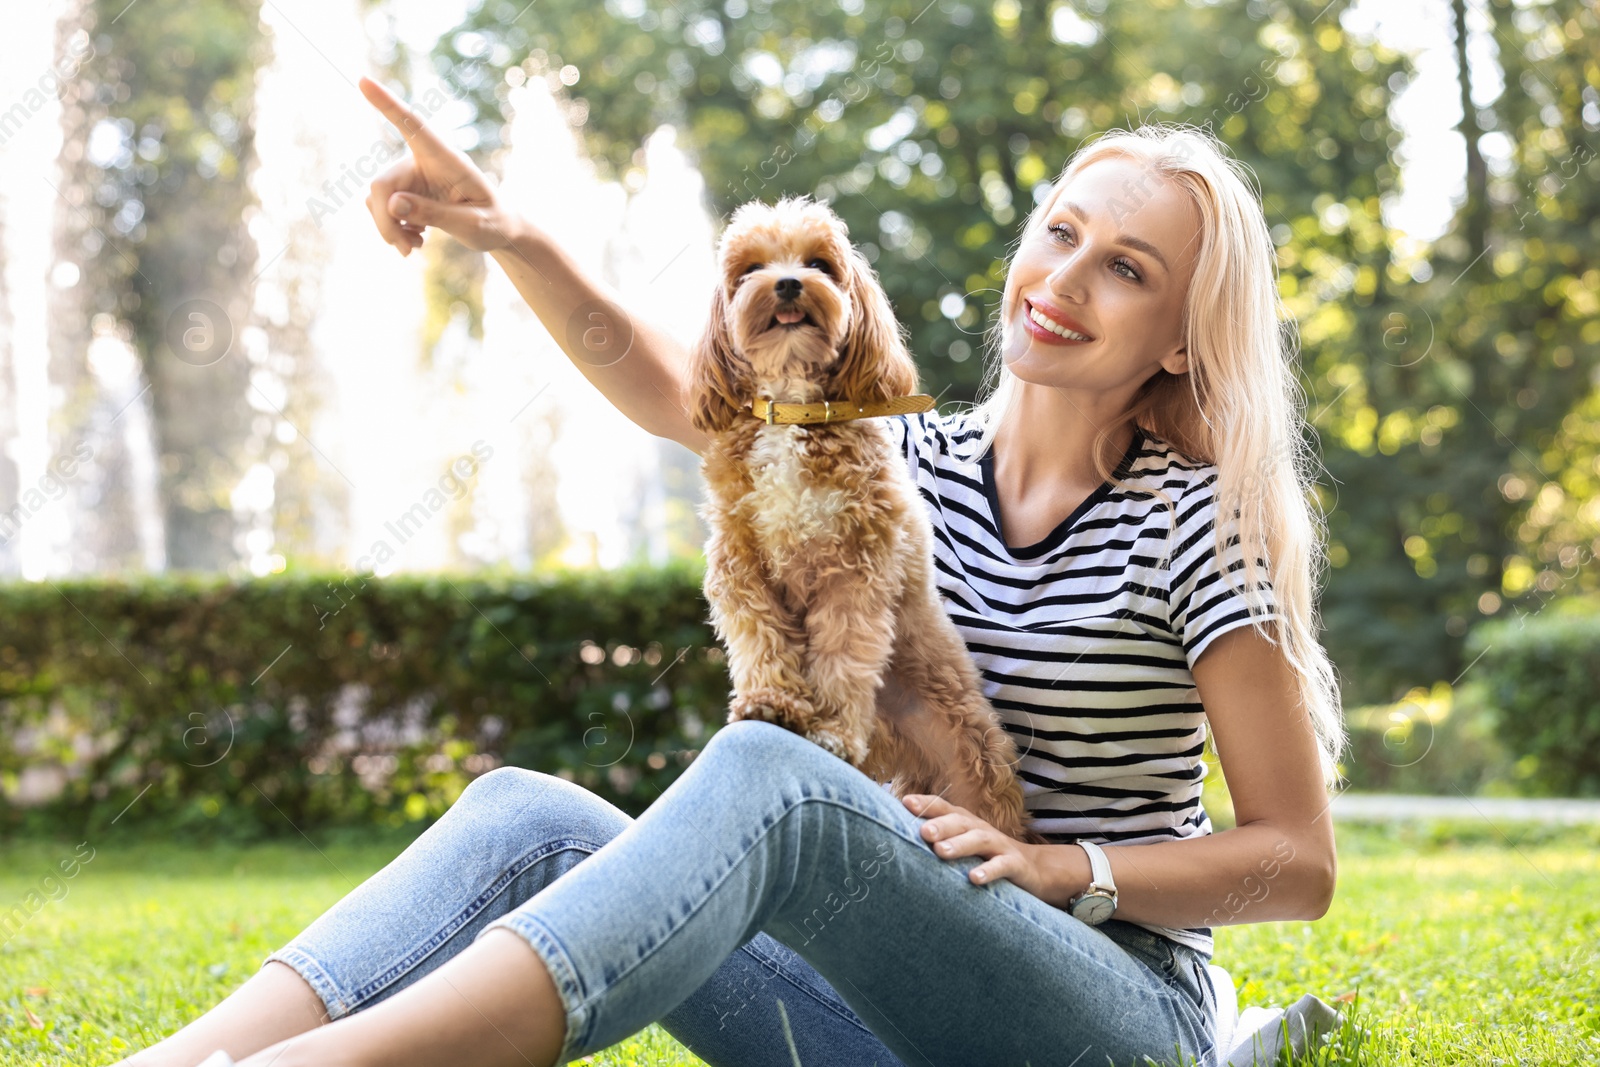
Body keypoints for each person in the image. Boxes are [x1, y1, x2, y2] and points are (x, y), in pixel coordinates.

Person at [116, 76, 1343, 1067]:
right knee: (523, 816)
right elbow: (673, 381)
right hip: (888, 1005)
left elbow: (1298, 860)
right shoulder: (894, 454)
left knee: (776, 763)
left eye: (1127, 268)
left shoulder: (1197, 524)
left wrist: (1052, 867)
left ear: (1182, 336)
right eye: (1060, 233)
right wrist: (510, 231)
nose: (1066, 279)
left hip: (1110, 1014)